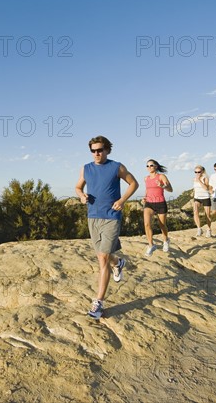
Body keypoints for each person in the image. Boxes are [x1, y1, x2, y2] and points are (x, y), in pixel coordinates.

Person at [75, 136, 139, 319]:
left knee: (102, 257)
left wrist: (122, 200)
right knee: (104, 255)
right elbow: (78, 187)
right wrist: (81, 195)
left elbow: (134, 183)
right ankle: (118, 263)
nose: (97, 153)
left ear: (107, 150)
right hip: (93, 216)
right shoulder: (85, 168)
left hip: (112, 216)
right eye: (93, 150)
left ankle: (98, 303)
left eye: (100, 150)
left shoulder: (116, 167)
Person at [142, 159, 173, 257]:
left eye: (151, 165)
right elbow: (147, 189)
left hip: (160, 203)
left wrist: (163, 186)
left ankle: (166, 240)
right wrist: (144, 197)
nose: (149, 167)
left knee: (162, 225)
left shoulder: (161, 176)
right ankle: (151, 245)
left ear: (156, 166)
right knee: (147, 224)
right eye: (147, 166)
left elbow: (170, 189)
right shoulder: (146, 178)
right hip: (149, 204)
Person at [192, 165, 213, 237]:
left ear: (202, 171)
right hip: (197, 197)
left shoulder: (205, 178)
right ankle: (199, 229)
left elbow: (206, 188)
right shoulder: (194, 179)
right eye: (195, 172)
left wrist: (199, 181)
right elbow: (195, 188)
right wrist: (193, 193)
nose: (197, 173)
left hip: (205, 197)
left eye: (199, 172)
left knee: (207, 215)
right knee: (195, 212)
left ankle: (209, 229)